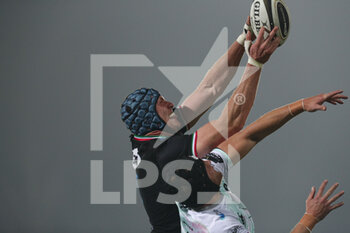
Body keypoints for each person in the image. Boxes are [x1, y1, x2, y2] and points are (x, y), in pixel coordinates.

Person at [120, 15, 280, 232]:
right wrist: (255, 63)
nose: (170, 103)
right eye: (161, 102)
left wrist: (244, 38)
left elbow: (209, 88)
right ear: (149, 118)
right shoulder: (165, 154)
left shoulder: (147, 136)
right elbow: (231, 124)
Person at [175, 90, 347, 233]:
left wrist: (301, 105)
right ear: (206, 190)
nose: (211, 161)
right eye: (208, 166)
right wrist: (311, 217)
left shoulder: (190, 184)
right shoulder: (223, 228)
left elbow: (251, 135)